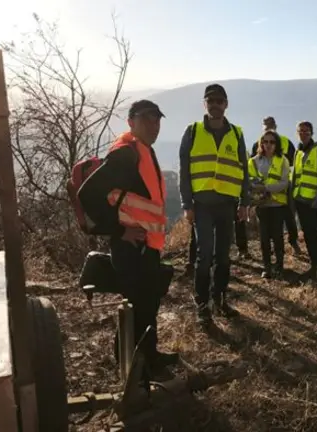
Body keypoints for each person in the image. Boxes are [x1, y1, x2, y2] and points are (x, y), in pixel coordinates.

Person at [78, 99, 178, 371]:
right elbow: (87, 194)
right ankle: (132, 366)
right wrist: (119, 230)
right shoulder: (126, 155)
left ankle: (149, 357)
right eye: (146, 119)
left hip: (146, 246)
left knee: (147, 303)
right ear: (131, 122)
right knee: (138, 306)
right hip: (131, 248)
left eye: (157, 120)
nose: (153, 125)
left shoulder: (144, 150)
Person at [179, 84, 250, 324]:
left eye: (219, 101)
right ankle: (202, 305)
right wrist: (187, 204)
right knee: (204, 255)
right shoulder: (193, 131)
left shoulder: (236, 134)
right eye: (211, 101)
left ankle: (219, 300)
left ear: (226, 104)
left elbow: (244, 169)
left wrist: (244, 202)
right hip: (202, 205)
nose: (215, 105)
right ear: (204, 104)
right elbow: (184, 170)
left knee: (223, 257)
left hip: (227, 205)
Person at [253, 116, 301, 254]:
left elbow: (294, 164)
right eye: (266, 126)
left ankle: (293, 241)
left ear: (275, 126)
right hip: (263, 190)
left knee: (289, 216)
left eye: (271, 125)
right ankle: (268, 247)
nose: (268, 128)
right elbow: (253, 167)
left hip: (284, 187)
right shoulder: (258, 144)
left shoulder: (286, 142)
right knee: (265, 220)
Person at [292, 121, 317, 283]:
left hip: (313, 203)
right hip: (300, 201)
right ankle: (314, 268)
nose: (303, 133)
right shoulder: (298, 152)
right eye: (300, 131)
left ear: (311, 133)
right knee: (308, 237)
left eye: (306, 131)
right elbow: (295, 177)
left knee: (314, 237)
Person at [249, 130, 290, 279]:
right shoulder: (254, 161)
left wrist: (266, 188)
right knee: (264, 238)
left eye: (272, 142)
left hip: (277, 205)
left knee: (278, 237)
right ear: (261, 144)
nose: (268, 145)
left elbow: (284, 183)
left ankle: (279, 266)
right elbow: (249, 181)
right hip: (262, 205)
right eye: (265, 142)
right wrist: (256, 190)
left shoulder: (283, 160)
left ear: (276, 144)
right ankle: (267, 267)